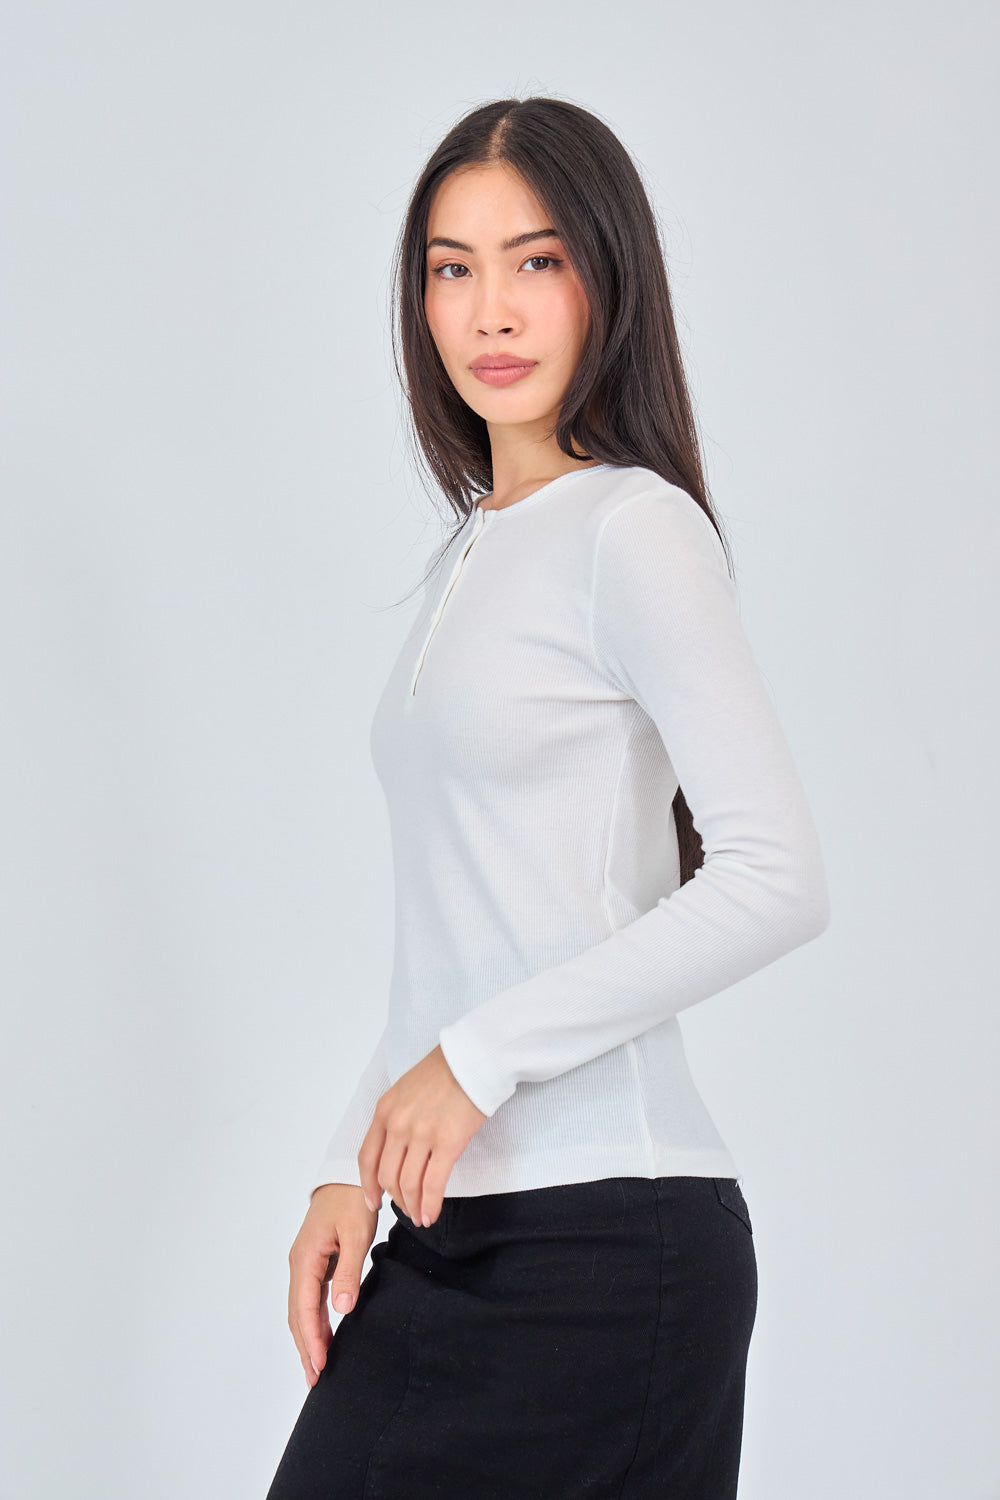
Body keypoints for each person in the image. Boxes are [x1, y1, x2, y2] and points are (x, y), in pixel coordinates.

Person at [265, 95, 830, 1500]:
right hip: (450, 1234)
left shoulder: (633, 530)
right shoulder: (477, 550)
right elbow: (463, 929)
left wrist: (474, 1062)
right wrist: (348, 1160)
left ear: (606, 277)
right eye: (451, 268)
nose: (492, 311)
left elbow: (776, 875)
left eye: (537, 260)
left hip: (607, 1245)